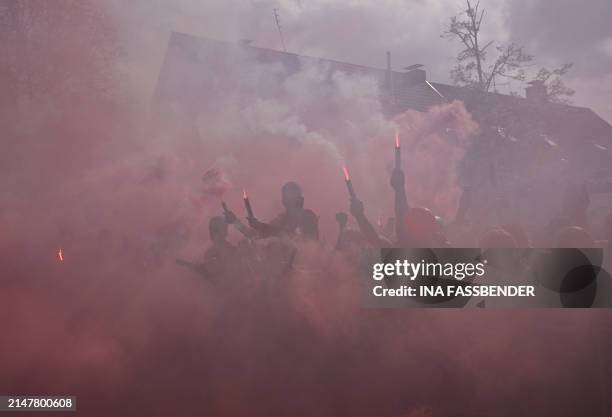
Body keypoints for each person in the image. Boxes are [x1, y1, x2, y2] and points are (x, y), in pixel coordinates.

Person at [176, 216, 239, 284]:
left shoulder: (230, 248)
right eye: (221, 229)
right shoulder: (211, 252)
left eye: (223, 228)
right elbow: (212, 274)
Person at [247, 182, 319, 240]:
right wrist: (236, 222)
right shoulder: (282, 219)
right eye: (287, 199)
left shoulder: (308, 216)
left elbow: (290, 234)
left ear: (299, 200)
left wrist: (260, 226)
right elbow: (260, 233)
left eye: (292, 198)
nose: (289, 203)